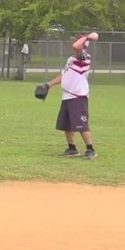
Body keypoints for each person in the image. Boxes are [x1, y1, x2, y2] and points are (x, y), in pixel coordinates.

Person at [40, 32, 99, 160]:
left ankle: (90, 149)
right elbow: (63, 76)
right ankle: (72, 148)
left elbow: (77, 47)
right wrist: (48, 85)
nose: (73, 42)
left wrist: (87, 37)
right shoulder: (72, 59)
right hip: (67, 96)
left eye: (76, 40)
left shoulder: (83, 57)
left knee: (81, 124)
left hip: (78, 96)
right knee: (67, 124)